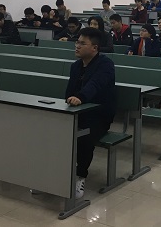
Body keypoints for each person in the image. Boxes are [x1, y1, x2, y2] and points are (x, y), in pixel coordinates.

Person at [65, 27, 117, 199]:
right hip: (77, 112)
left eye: (82, 43)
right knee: (54, 129)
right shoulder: (76, 66)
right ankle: (57, 173)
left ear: (94, 48)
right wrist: (71, 100)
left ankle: (80, 175)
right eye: (77, 42)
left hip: (99, 115)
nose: (77, 46)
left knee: (84, 136)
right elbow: (69, 92)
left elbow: (95, 84)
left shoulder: (106, 65)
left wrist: (80, 97)